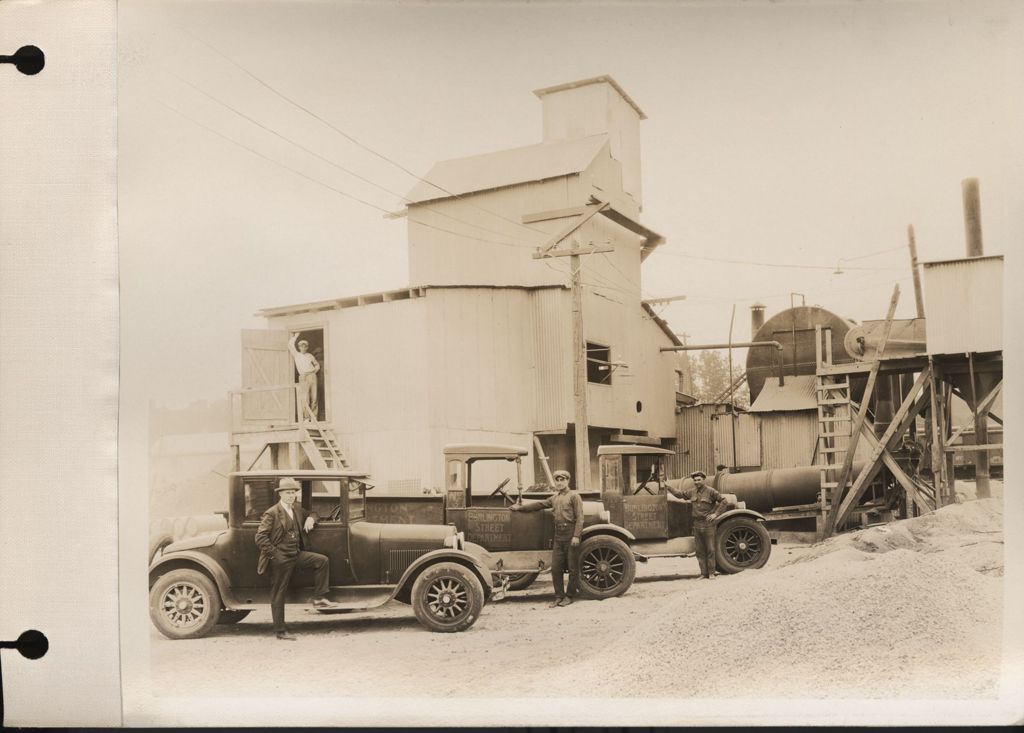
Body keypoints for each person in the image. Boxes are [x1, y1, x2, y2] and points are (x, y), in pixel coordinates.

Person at [255, 477, 336, 640]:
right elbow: (260, 537)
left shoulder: (297, 509)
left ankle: (319, 598)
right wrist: (275, 554)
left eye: (293, 493)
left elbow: (313, 512)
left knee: (321, 561)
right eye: (288, 493)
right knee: (279, 593)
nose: (291, 496)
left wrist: (311, 518)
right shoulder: (272, 513)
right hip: (281, 558)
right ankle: (280, 631)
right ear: (281, 494)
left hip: (297, 554)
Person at [510, 468, 583, 607]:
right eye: (558, 480)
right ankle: (559, 596)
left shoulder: (574, 497)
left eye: (563, 480)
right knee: (556, 568)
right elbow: (539, 505)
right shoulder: (554, 498)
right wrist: (519, 508)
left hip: (570, 533)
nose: (560, 483)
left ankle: (569, 596)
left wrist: (576, 536)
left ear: (568, 481)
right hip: (558, 535)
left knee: (573, 568)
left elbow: (580, 518)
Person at [667, 470, 730, 579]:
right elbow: (679, 494)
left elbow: (724, 501)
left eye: (699, 480)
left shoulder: (711, 491)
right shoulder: (692, 492)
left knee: (710, 549)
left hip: (708, 523)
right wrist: (668, 486)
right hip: (696, 524)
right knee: (699, 551)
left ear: (703, 480)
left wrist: (716, 514)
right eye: (695, 480)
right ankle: (703, 573)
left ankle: (711, 573)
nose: (696, 482)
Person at [288, 333, 320, 421]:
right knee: (305, 398)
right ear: (299, 347)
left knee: (314, 397)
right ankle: (306, 418)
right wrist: (295, 336)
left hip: (312, 376)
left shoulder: (310, 356)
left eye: (305, 346)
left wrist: (314, 371)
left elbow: (317, 365)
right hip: (303, 376)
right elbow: (290, 345)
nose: (303, 348)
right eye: (302, 346)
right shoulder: (296, 355)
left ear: (307, 347)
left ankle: (314, 418)